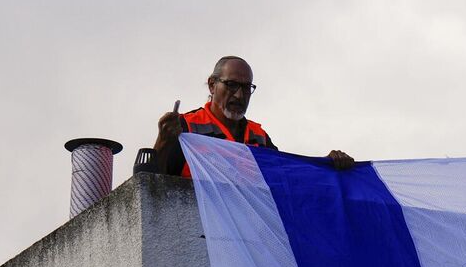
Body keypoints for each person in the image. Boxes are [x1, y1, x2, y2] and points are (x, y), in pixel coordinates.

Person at [143, 56, 354, 177]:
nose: (239, 95)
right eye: (232, 85)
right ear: (212, 85)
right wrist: (163, 141)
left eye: (246, 88)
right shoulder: (184, 126)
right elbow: (153, 185)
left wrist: (328, 164)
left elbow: (287, 175)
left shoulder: (259, 135)